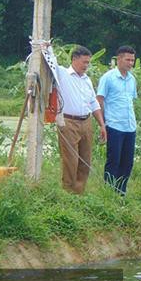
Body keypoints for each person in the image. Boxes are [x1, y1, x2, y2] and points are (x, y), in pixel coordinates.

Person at [44, 44, 107, 194]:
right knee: (71, 161)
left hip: (86, 122)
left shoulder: (87, 80)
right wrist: (46, 48)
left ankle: (79, 193)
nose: (86, 65)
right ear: (74, 59)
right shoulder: (62, 73)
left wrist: (102, 125)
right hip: (69, 123)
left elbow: (93, 103)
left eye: (88, 62)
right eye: (84, 62)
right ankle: (68, 192)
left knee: (85, 161)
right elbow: (49, 62)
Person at [96, 46, 138, 195]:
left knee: (127, 163)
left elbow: (130, 102)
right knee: (114, 161)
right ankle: (108, 193)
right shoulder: (108, 78)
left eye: (132, 60)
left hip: (130, 126)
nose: (130, 63)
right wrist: (102, 124)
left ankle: (121, 193)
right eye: (128, 59)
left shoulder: (132, 79)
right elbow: (99, 101)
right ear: (118, 59)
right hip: (114, 125)